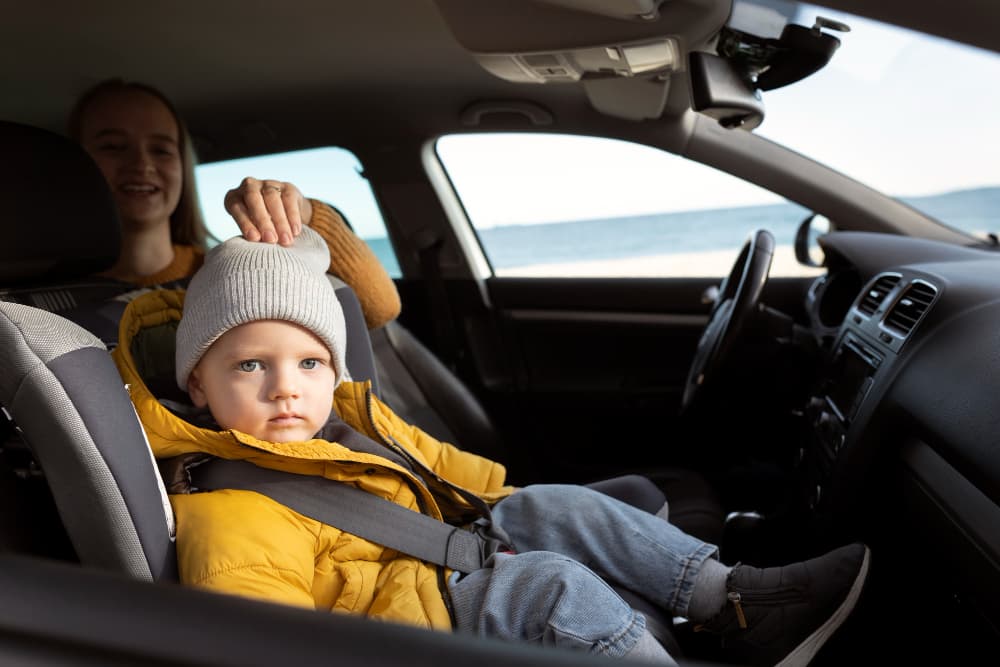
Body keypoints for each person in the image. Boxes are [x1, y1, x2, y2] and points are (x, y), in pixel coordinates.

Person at [112, 227, 871, 667]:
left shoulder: (344, 417)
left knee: (556, 507)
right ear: (199, 386)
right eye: (251, 365)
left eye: (309, 363)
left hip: (437, 553)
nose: (287, 388)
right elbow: (260, 634)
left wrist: (517, 510)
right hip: (404, 622)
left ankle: (734, 597)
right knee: (548, 587)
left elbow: (445, 470)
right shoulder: (231, 502)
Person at [67, 77, 400, 330]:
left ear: (182, 166)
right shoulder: (46, 297)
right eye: (112, 146)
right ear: (73, 161)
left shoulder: (229, 271)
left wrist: (306, 213)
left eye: (161, 149)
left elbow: (377, 310)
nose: (141, 164)